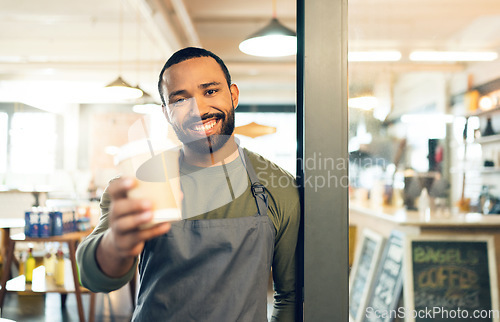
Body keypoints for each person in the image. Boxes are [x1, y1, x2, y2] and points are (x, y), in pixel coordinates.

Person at [76, 47, 300, 321]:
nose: (198, 110)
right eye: (180, 100)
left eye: (210, 91)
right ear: (166, 113)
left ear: (234, 95)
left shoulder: (277, 185)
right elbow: (92, 277)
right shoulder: (142, 183)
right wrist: (116, 245)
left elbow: (290, 295)